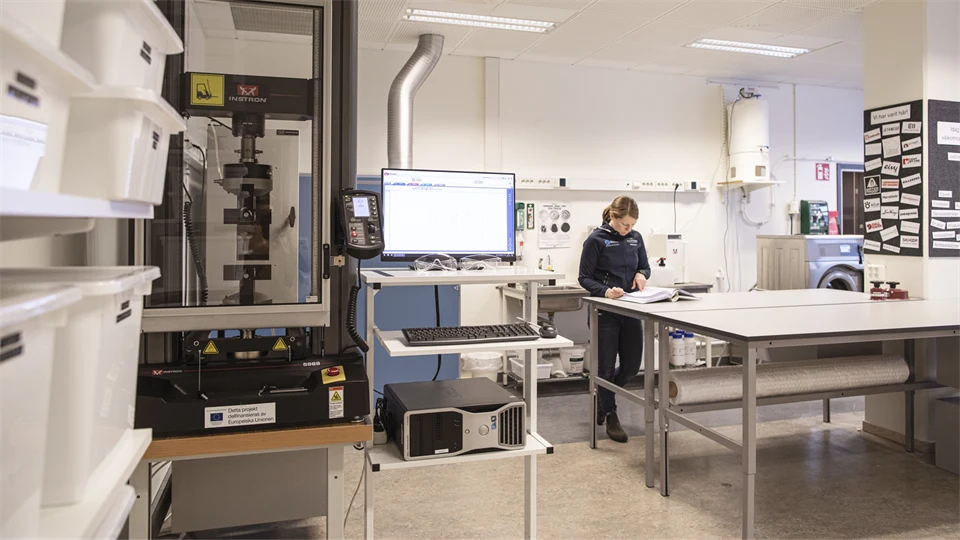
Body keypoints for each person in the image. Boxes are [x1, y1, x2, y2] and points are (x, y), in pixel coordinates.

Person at [578, 196, 650, 443]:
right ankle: (611, 414)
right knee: (605, 368)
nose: (628, 229)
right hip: (604, 311)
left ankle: (601, 395)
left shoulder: (636, 238)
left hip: (630, 310)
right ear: (613, 217)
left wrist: (641, 275)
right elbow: (584, 278)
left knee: (631, 366)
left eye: (631, 225)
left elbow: (645, 266)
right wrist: (606, 292)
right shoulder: (595, 240)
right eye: (624, 224)